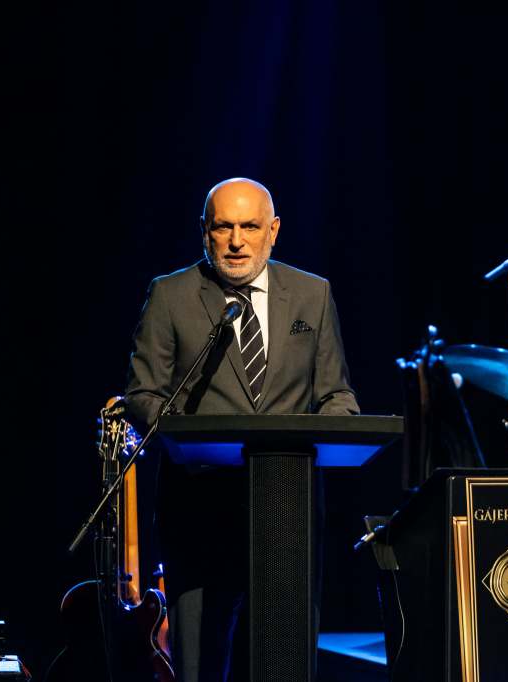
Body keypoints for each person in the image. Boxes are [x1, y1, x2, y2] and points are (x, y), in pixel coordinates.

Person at [124, 178, 359, 681]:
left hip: (287, 500)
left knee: (285, 656)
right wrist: (188, 433)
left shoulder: (313, 294)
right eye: (223, 227)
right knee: (200, 660)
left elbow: (337, 394)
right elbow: (142, 394)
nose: (236, 241)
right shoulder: (170, 295)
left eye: (250, 227)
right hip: (198, 500)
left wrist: (336, 426)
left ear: (273, 231)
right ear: (203, 232)